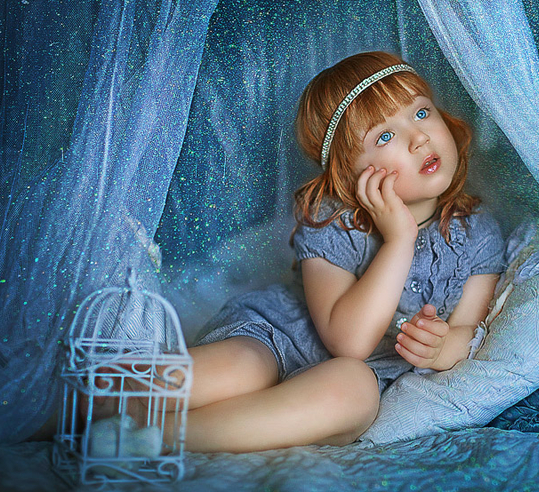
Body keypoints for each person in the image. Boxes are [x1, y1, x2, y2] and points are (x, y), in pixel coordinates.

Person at [138, 51, 505, 453]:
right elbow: (348, 340)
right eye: (385, 136)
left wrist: (441, 348)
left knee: (354, 392)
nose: (419, 138)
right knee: (241, 371)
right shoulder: (333, 219)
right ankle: (92, 402)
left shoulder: (477, 233)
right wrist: (398, 239)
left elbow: (470, 330)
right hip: (276, 336)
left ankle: (154, 438)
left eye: (421, 112)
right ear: (350, 173)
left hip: (352, 378)